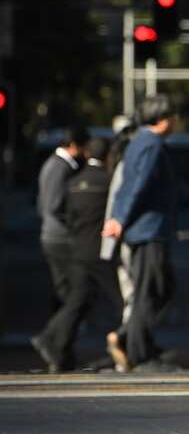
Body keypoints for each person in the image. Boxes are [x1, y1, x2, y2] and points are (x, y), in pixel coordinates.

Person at [102, 98, 179, 371]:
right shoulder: (151, 144)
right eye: (173, 116)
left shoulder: (139, 141)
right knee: (151, 291)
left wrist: (119, 219)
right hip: (148, 230)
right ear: (162, 118)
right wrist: (120, 219)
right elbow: (137, 184)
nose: (176, 122)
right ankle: (137, 350)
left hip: (144, 229)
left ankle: (130, 338)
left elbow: (129, 184)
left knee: (159, 288)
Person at [31, 137, 115, 372]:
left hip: (68, 242)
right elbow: (54, 207)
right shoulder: (67, 170)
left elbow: (47, 206)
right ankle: (53, 341)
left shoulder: (64, 173)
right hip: (71, 242)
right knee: (84, 296)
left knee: (77, 295)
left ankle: (57, 347)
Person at [36, 127, 88, 316]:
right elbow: (54, 205)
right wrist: (75, 222)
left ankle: (56, 335)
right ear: (74, 145)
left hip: (50, 233)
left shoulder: (51, 164)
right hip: (60, 236)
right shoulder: (63, 167)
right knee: (76, 289)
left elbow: (42, 205)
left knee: (63, 287)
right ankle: (55, 336)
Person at [103, 116, 137, 371]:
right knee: (136, 295)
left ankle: (126, 343)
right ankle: (124, 338)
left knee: (130, 294)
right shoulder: (128, 163)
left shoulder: (114, 159)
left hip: (117, 239)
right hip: (128, 238)